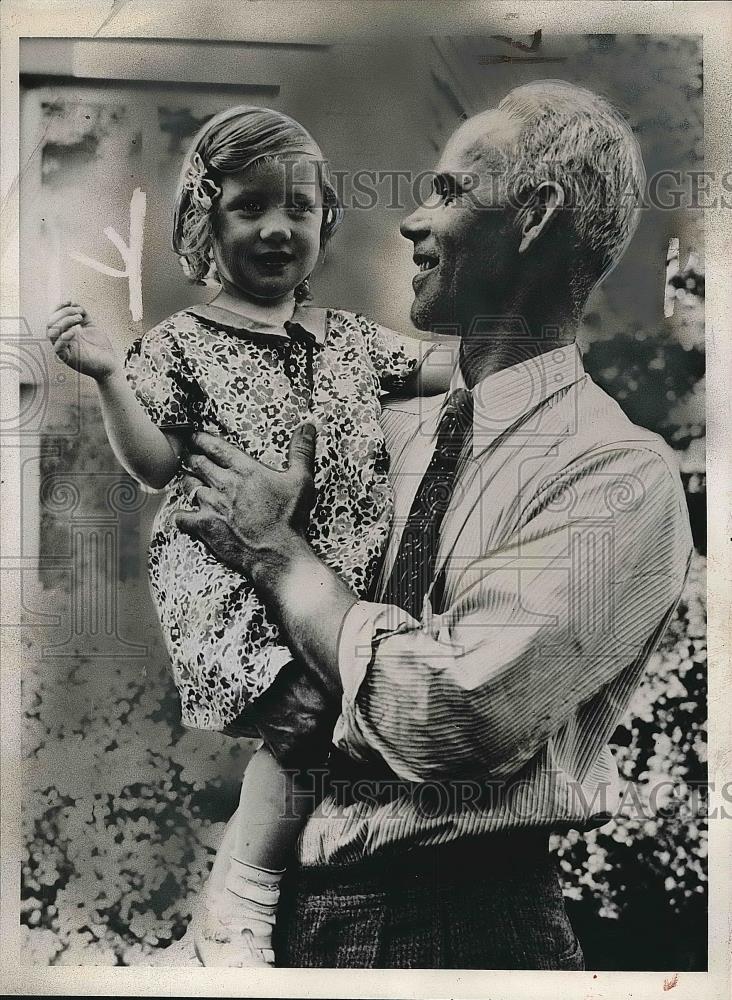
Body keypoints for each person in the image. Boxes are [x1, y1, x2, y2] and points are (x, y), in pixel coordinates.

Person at [177, 81, 694, 969]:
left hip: (459, 932)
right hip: (299, 924)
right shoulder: (382, 434)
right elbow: (279, 685)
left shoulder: (617, 471)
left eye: (450, 193)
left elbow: (447, 712)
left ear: (534, 217)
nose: (411, 223)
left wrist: (278, 557)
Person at [45, 105, 451, 967]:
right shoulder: (184, 345)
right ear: (206, 216)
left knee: (339, 724)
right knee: (305, 720)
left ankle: (255, 899)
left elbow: (434, 367)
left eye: (298, 209)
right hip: (229, 579)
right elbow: (155, 464)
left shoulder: (345, 338)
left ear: (325, 220)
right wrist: (112, 375)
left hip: (323, 579)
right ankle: (238, 910)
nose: (277, 229)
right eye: (250, 208)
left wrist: (518, 329)